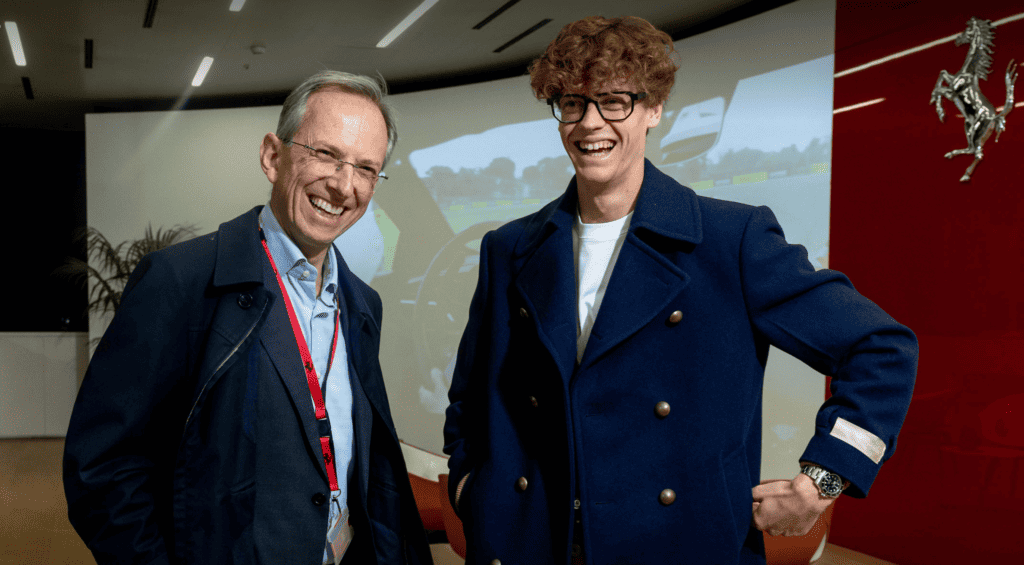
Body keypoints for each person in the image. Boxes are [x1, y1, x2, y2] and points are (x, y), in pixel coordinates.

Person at [442, 16, 917, 565]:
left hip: (678, 545)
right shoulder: (509, 248)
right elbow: (471, 396)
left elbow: (883, 348)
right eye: (572, 103)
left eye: (615, 100)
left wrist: (822, 481)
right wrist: (470, 487)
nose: (590, 122)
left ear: (654, 109)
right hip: (534, 545)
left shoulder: (731, 239)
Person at [63, 71, 433, 565]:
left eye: (366, 169)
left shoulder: (363, 304)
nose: (344, 185)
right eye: (326, 154)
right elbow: (102, 469)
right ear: (272, 157)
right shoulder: (181, 280)